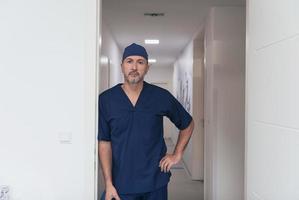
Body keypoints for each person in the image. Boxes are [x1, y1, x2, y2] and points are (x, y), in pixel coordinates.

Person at [98, 43, 194, 200]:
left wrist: (177, 154)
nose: (134, 67)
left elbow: (187, 124)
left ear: (147, 68)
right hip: (120, 184)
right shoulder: (106, 100)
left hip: (155, 182)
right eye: (129, 61)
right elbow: (104, 143)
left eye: (140, 62)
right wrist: (108, 183)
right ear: (122, 66)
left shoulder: (161, 96)